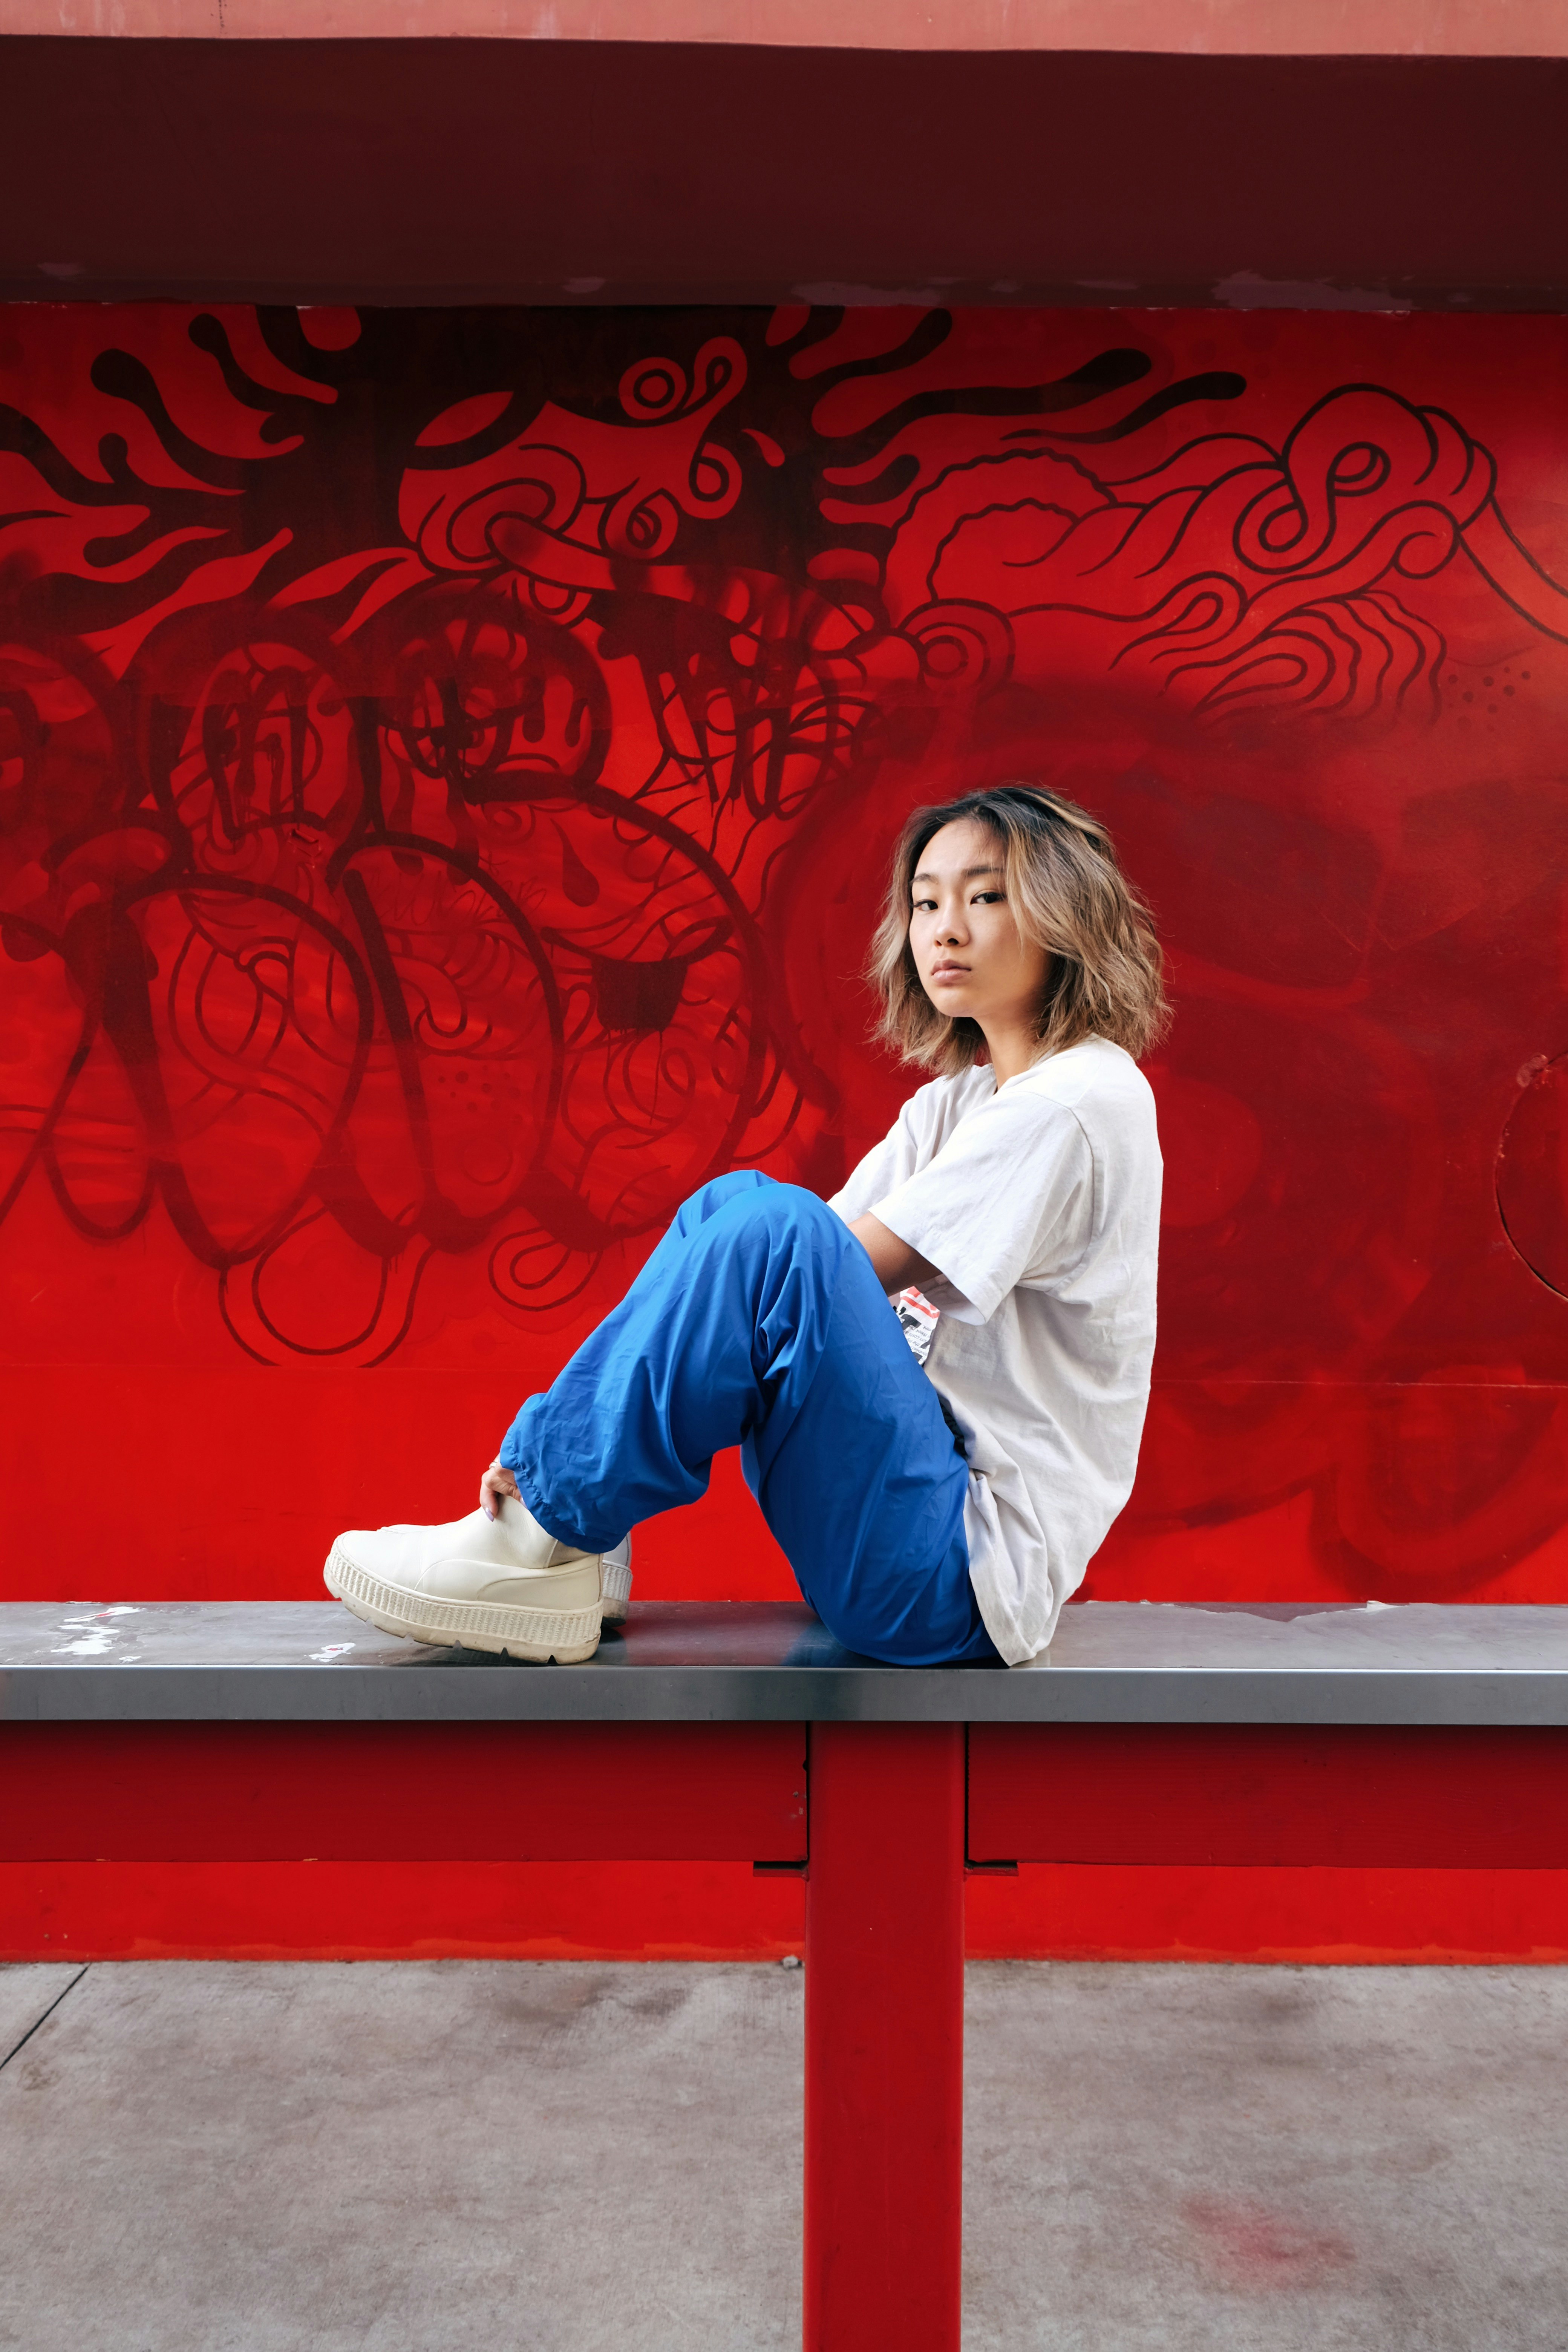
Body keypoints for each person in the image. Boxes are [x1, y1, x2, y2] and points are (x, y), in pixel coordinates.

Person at [324, 783, 1166, 1668]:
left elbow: (807, 1265)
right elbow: (791, 1277)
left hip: (955, 1577)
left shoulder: (1077, 1099)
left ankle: (542, 1530)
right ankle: (573, 1540)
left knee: (765, 1227)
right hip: (900, 1519)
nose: (944, 929)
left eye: (984, 896)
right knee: (734, 1210)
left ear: (1065, 914)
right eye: (925, 902)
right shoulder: (955, 1104)